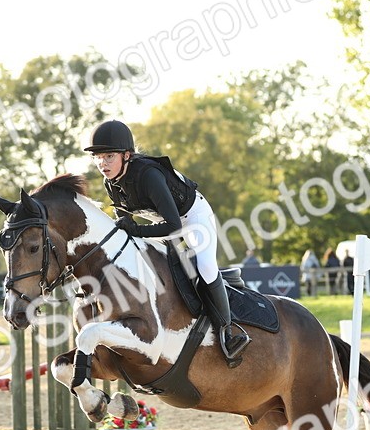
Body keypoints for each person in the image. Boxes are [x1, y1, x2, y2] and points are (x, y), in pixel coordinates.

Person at [84, 120, 250, 365]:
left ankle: (229, 331)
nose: (103, 164)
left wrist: (137, 231)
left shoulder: (148, 175)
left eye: (109, 156)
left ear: (127, 155)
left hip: (192, 218)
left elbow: (173, 226)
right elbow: (126, 222)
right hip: (162, 222)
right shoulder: (111, 183)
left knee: (204, 267)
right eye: (98, 157)